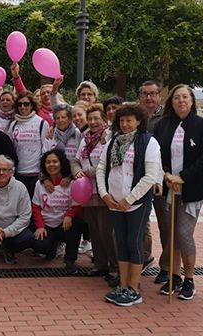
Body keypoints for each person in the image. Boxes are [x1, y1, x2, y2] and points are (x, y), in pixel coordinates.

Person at [153, 84, 203, 300]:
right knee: (172, 234)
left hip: (192, 190)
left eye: (185, 97)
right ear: (171, 102)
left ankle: (189, 279)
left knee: (183, 233)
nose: (181, 101)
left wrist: (184, 177)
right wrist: (166, 176)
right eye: (177, 97)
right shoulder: (163, 125)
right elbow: (156, 154)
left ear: (192, 101)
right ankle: (174, 276)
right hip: (169, 186)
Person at [96, 103, 163, 307]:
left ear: (139, 121)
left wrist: (130, 199)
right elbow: (101, 168)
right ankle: (123, 285)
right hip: (114, 203)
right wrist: (104, 194)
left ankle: (134, 289)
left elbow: (150, 176)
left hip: (136, 204)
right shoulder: (113, 141)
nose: (125, 124)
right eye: (122, 120)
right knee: (121, 243)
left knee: (134, 242)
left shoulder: (148, 142)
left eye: (129, 120)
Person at [72, 103, 117, 283]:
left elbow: (111, 162)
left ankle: (114, 267)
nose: (92, 122)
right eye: (90, 119)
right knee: (95, 230)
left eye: (96, 118)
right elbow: (76, 160)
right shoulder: (85, 139)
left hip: (104, 191)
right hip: (87, 193)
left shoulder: (109, 137)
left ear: (104, 120)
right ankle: (100, 264)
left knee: (107, 230)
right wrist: (77, 171)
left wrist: (91, 171)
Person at [138, 80, 170, 284]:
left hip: (160, 180)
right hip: (137, 180)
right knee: (140, 223)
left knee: (166, 225)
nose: (149, 98)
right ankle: (143, 257)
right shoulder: (135, 116)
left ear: (160, 96)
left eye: (153, 94)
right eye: (145, 94)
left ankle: (167, 267)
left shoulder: (167, 119)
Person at [32, 149, 84, 273]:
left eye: (55, 161)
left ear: (61, 163)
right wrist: (39, 226)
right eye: (48, 162)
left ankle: (70, 260)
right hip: (47, 224)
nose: (51, 165)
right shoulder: (40, 184)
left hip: (64, 224)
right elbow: (36, 207)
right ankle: (52, 246)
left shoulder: (71, 183)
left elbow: (78, 205)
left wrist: (69, 215)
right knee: (40, 246)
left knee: (77, 223)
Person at [8, 91, 50, 199]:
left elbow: (46, 150)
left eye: (26, 104)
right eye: (20, 104)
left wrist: (44, 175)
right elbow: (10, 149)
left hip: (36, 174)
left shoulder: (41, 123)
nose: (23, 107)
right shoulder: (13, 125)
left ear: (31, 106)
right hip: (18, 174)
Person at [10, 62, 58, 126]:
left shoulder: (62, 107)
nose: (46, 95)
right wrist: (16, 77)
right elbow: (23, 93)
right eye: (42, 94)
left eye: (48, 92)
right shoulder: (38, 110)